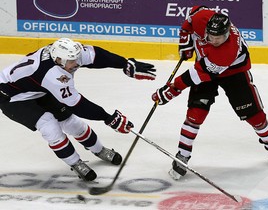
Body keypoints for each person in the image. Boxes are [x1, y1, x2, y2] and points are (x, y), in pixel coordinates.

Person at [152, 5, 268, 180]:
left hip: (233, 73)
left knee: (255, 116)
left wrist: (172, 90)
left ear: (227, 34)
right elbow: (190, 19)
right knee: (195, 114)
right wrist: (184, 41)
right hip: (205, 67)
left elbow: (198, 75)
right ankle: (183, 155)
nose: (215, 41)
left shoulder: (227, 51)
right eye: (211, 36)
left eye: (220, 37)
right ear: (207, 28)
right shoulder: (202, 18)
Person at [0, 38, 156, 181]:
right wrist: (108, 118)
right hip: (11, 96)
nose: (76, 63)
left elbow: (97, 56)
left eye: (76, 58)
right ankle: (75, 162)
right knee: (49, 125)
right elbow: (78, 105)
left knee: (71, 122)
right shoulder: (52, 75)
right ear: (59, 61)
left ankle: (99, 150)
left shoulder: (67, 54)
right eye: (71, 61)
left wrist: (124, 63)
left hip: (36, 88)